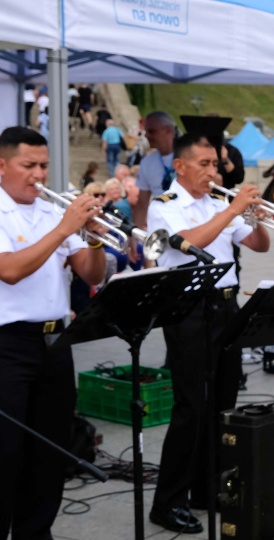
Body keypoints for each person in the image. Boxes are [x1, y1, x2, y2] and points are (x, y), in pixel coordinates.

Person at [146, 132, 270, 534]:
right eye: (204, 164)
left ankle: (205, 489)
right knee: (191, 408)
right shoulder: (165, 207)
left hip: (226, 307)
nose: (212, 171)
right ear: (179, 166)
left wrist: (256, 218)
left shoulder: (220, 203)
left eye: (215, 164)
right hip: (189, 310)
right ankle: (167, 502)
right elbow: (191, 243)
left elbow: (258, 244)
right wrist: (233, 209)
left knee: (223, 400)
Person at [0, 126, 106, 540]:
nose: (39, 174)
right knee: (6, 452)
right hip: (9, 345)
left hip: (55, 341)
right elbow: (10, 271)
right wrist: (65, 228)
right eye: (29, 165)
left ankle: (36, 533)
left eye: (44, 165)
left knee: (49, 452)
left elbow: (90, 274)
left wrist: (94, 240)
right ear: (3, 166)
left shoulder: (50, 210)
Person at [133, 111, 177, 229]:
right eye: (146, 131)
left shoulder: (188, 157)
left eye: (152, 131)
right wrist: (134, 233)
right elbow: (142, 204)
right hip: (161, 226)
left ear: (168, 131)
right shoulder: (147, 162)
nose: (147, 136)